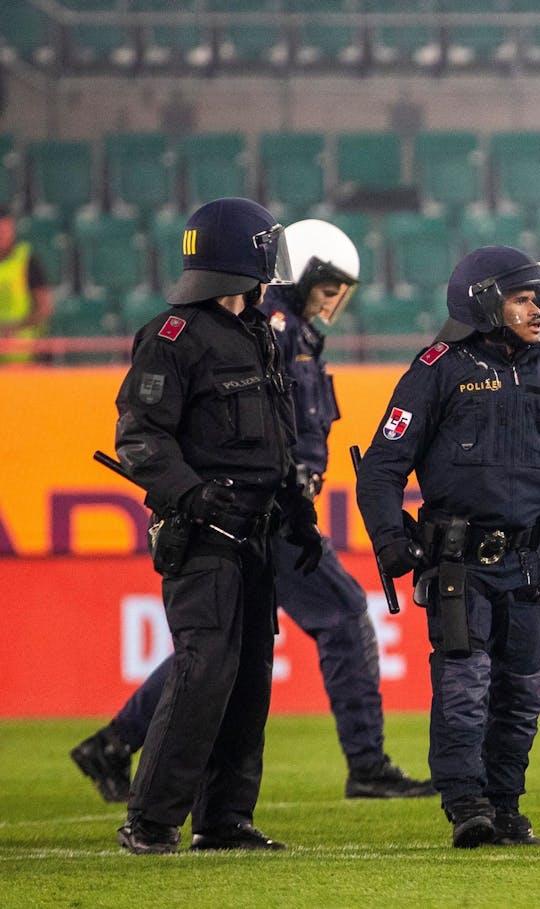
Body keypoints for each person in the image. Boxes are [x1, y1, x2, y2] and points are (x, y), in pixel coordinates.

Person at [70, 219, 433, 804]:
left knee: (219, 647)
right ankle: (366, 763)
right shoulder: (270, 331)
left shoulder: (287, 334)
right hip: (253, 508)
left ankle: (115, 743)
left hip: (274, 507)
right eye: (331, 284)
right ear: (305, 273)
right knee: (337, 617)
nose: (336, 298)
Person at [356, 246, 540, 847]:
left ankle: (505, 804)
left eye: (537, 299)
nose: (538, 311)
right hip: (457, 562)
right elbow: (382, 468)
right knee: (465, 686)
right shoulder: (436, 369)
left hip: (528, 564)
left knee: (521, 689)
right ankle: (466, 803)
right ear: (485, 303)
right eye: (524, 300)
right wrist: (391, 541)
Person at [110, 196, 312, 854]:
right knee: (204, 668)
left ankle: (225, 817)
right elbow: (140, 439)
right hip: (202, 536)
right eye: (263, 246)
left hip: (256, 532)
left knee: (250, 673)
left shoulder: (257, 329)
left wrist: (299, 514)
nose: (272, 260)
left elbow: (278, 433)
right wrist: (190, 496)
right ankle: (150, 818)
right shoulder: (171, 337)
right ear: (237, 256)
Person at [0, 206, 54, 363]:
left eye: (5, 230)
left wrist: (14, 328)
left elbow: (44, 308)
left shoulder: (27, 260)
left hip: (24, 355)